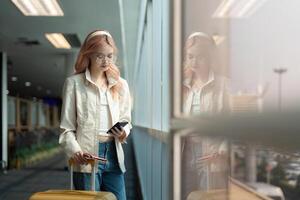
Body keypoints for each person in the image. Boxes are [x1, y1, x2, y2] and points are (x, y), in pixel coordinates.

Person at [59, 29, 132, 200]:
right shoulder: (74, 84)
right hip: (87, 156)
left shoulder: (121, 85)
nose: (106, 61)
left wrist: (123, 132)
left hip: (113, 154)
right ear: (88, 55)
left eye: (110, 55)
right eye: (100, 56)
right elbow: (66, 128)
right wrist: (75, 151)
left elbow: (126, 119)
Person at [181, 32, 230, 199]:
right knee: (187, 195)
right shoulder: (182, 86)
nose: (194, 62)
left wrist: (221, 149)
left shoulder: (223, 85)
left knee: (207, 195)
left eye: (200, 57)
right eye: (190, 56)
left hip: (210, 153)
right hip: (186, 151)